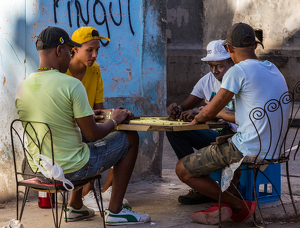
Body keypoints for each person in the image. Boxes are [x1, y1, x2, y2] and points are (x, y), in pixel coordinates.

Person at [15, 26, 150, 225]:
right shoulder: (71, 85)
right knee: (129, 138)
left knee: (79, 142)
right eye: (70, 51)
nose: (70, 57)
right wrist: (115, 120)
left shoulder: (23, 86)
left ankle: (76, 207)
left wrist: (88, 116)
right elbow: (93, 134)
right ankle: (115, 211)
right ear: (59, 50)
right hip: (69, 170)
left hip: (37, 170)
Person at [175, 22, 289, 225]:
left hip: (249, 148)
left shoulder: (237, 72)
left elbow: (210, 110)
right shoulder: (272, 69)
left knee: (182, 169)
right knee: (227, 144)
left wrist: (197, 117)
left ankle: (238, 205)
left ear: (229, 49)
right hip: (275, 148)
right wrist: (213, 113)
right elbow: (245, 114)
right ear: (255, 46)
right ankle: (227, 203)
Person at [65, 26, 128, 211]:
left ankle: (106, 190)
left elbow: (99, 110)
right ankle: (85, 193)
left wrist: (118, 114)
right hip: (70, 132)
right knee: (93, 137)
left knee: (121, 130)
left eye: (97, 50)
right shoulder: (63, 73)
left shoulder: (95, 70)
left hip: (88, 125)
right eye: (89, 50)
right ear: (74, 49)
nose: (94, 55)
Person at [166, 40, 235, 205]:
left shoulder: (237, 79)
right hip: (214, 135)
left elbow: (242, 115)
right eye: (211, 66)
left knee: (225, 135)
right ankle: (200, 183)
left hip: (233, 136)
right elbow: (185, 106)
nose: (214, 71)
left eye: (219, 66)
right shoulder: (207, 80)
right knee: (174, 130)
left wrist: (206, 112)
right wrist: (176, 110)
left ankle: (211, 186)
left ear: (231, 61)